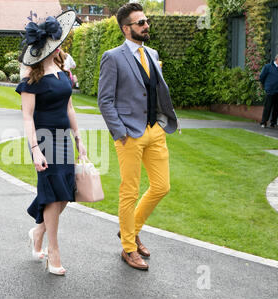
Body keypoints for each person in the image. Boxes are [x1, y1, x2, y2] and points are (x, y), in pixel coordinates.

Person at [98, 3, 179, 271]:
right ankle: (129, 248)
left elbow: (155, 91)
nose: (146, 26)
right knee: (129, 191)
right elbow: (105, 100)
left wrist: (164, 121)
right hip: (128, 135)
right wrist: (119, 133)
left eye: (146, 21)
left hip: (155, 130)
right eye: (141, 22)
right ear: (126, 28)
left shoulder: (152, 53)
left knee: (161, 186)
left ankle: (130, 230)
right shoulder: (113, 57)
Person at [16, 11, 86, 276]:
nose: (55, 46)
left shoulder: (63, 71)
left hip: (64, 139)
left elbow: (70, 107)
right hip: (44, 141)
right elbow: (27, 118)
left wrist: (78, 139)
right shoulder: (30, 80)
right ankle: (53, 251)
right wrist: (35, 150)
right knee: (53, 192)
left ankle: (37, 231)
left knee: (65, 192)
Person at [259, 54, 278, 129]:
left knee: (276, 108)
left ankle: (273, 123)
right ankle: (263, 122)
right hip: (270, 90)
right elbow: (261, 77)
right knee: (268, 107)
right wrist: (266, 86)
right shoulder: (268, 67)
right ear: (277, 59)